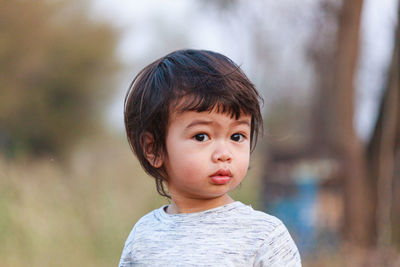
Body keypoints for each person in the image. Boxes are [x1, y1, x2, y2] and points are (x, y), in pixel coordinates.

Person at [119, 49, 301, 266]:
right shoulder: (143, 237)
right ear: (154, 149)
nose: (224, 154)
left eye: (236, 136)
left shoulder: (264, 237)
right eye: (202, 136)